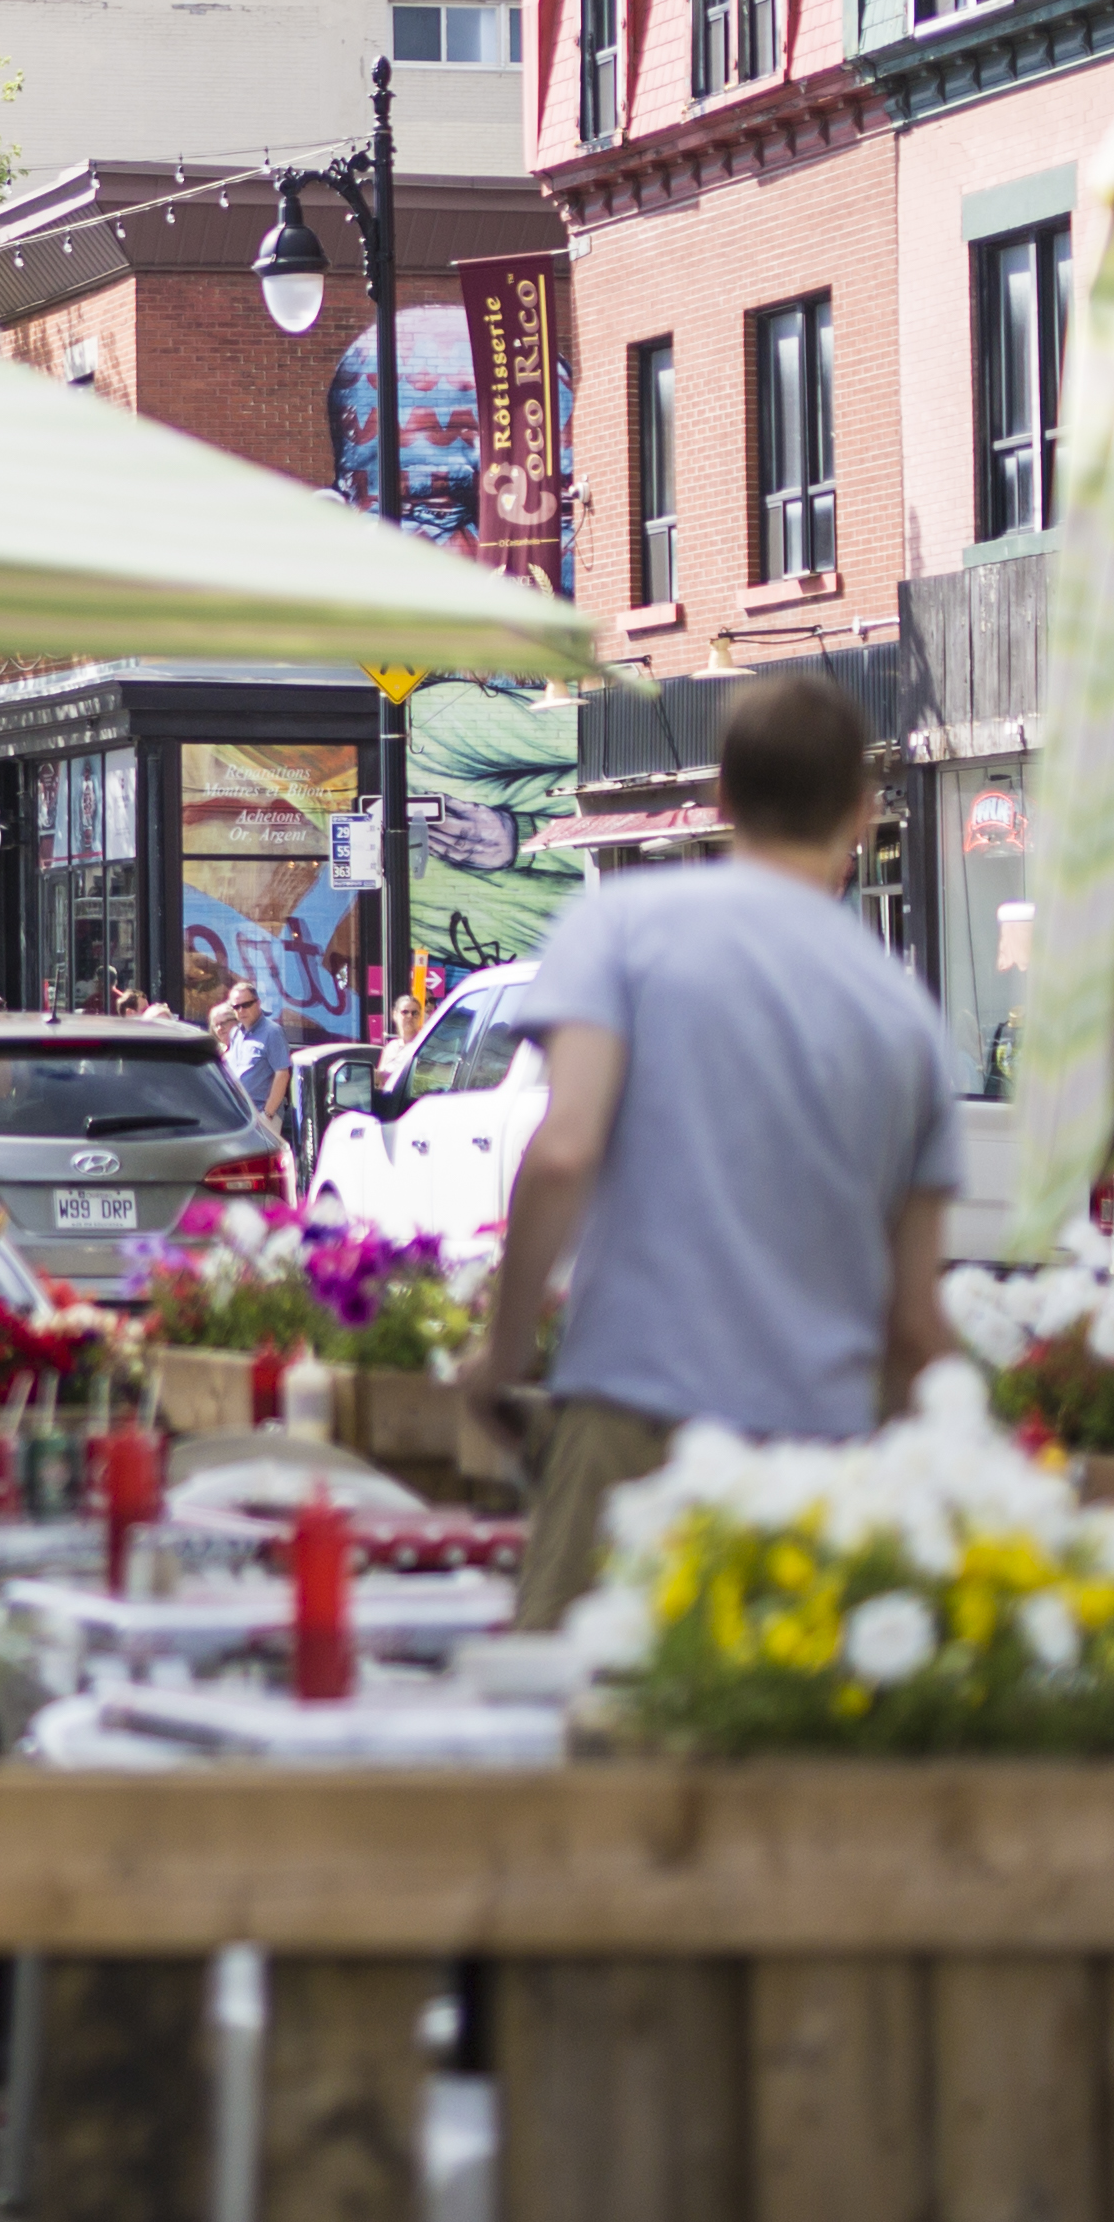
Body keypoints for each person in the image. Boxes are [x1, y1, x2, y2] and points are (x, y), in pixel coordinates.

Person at [460, 673, 958, 1635]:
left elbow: (565, 1152)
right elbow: (914, 1322)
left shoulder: (622, 925)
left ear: (720, 798)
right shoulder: (905, 1017)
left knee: (585, 1727)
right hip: (812, 1466)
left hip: (630, 1427)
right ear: (863, 811)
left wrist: (506, 1350)